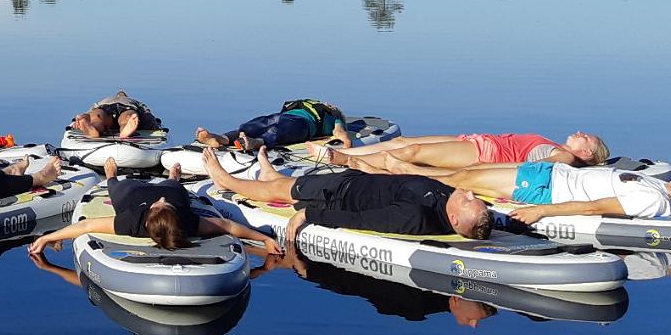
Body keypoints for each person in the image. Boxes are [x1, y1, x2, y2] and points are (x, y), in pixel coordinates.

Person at [201, 144, 494, 244]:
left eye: (469, 199)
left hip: (340, 194)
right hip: (358, 180)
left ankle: (226, 181)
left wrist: (309, 214)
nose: (467, 192)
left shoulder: (415, 217)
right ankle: (271, 174)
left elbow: (363, 219)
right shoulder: (449, 202)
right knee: (285, 182)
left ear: (454, 217)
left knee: (283, 191)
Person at [373, 160, 671, 225]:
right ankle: (397, 169)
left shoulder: (654, 199)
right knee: (467, 173)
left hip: (545, 188)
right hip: (550, 173)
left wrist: (542, 211)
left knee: (462, 182)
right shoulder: (659, 184)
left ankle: (386, 173)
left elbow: (594, 208)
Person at [28, 177, 281, 255]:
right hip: (156, 191)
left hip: (133, 194)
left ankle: (116, 175)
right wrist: (264, 240)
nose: (161, 202)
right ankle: (170, 177)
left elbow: (89, 225)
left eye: (160, 206)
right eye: (164, 206)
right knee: (171, 189)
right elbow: (227, 226)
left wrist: (49, 237)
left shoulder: (132, 222)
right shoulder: (188, 221)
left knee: (117, 187)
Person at [317, 131, 610, 171]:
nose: (583, 133)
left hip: (486, 155)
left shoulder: (567, 156)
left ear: (587, 154)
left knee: (414, 151)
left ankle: (344, 160)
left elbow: (543, 167)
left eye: (589, 139)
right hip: (480, 140)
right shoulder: (559, 145)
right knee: (403, 142)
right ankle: (353, 152)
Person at [194, 98, 349, 151]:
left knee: (278, 130)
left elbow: (340, 133)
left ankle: (257, 142)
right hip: (283, 116)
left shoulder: (335, 116)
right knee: (254, 125)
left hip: (304, 125)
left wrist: (346, 143)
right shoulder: (309, 104)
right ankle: (219, 138)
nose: (329, 104)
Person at [69, 91, 163, 139]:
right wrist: (154, 124)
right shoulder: (132, 101)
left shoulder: (105, 100)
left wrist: (80, 120)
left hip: (104, 108)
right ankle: (126, 129)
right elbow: (146, 113)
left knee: (97, 118)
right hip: (127, 108)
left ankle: (94, 128)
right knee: (127, 118)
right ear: (125, 95)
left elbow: (90, 113)